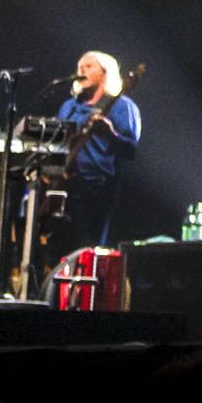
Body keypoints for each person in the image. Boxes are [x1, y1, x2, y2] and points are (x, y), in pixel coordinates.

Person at [47, 51, 140, 254]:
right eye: (80, 67)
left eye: (89, 66)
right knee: (55, 249)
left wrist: (110, 134)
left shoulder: (122, 106)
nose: (82, 71)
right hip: (62, 188)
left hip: (96, 190)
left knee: (86, 250)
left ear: (105, 72)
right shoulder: (69, 107)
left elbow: (131, 150)